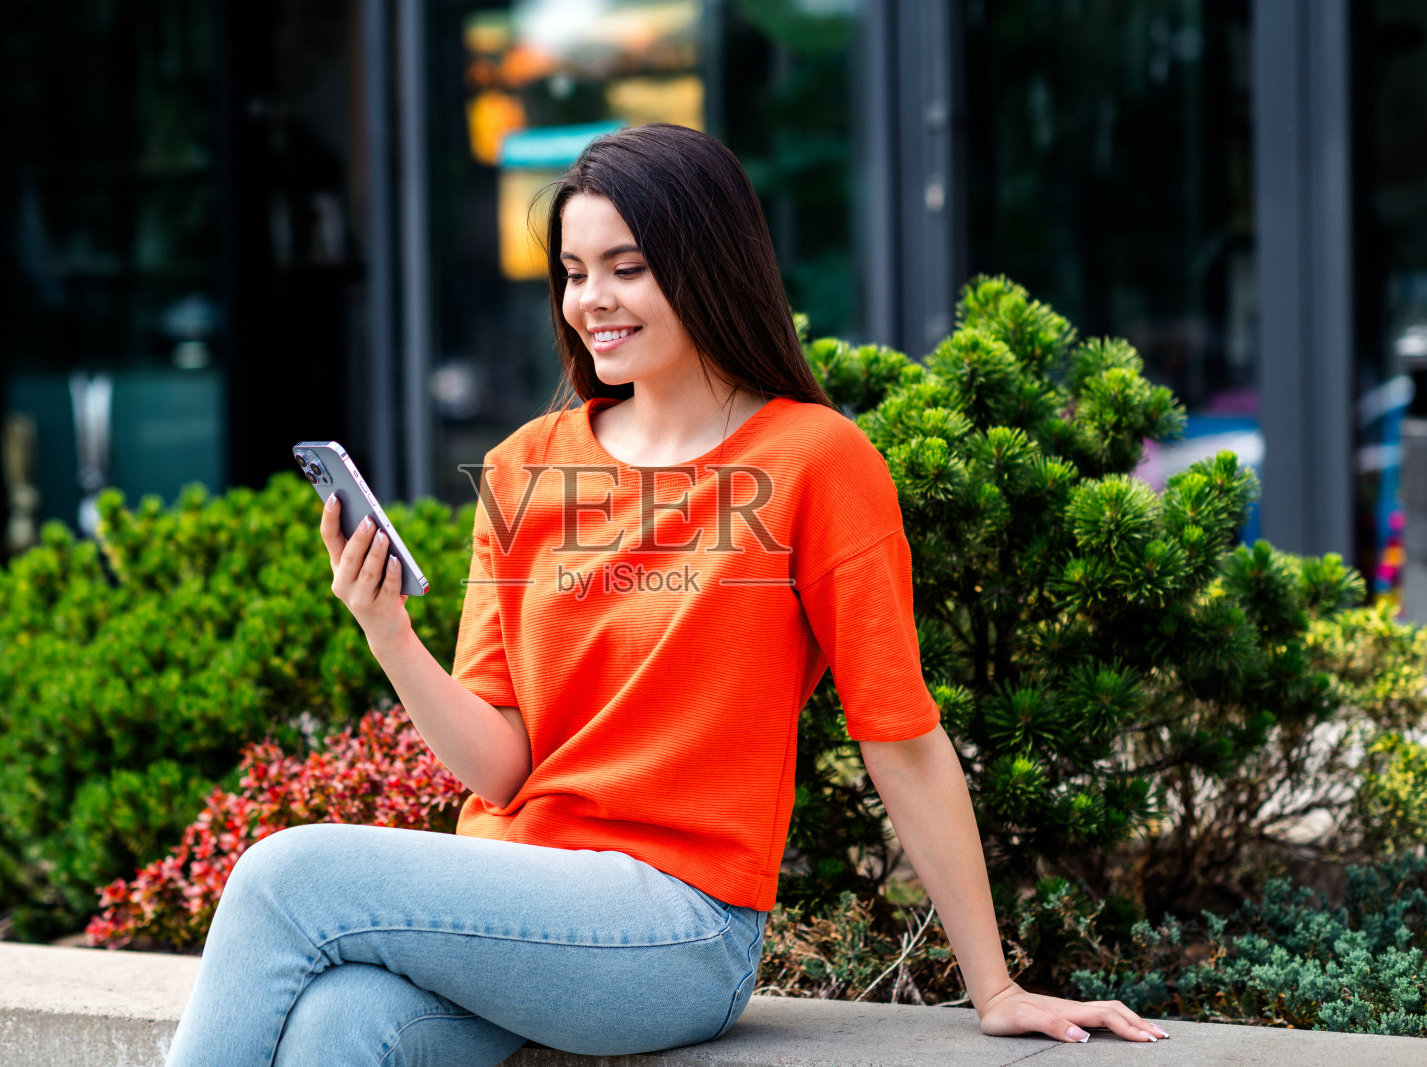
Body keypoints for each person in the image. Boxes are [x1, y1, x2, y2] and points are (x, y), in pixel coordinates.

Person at [164, 123, 1168, 1066]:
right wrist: (386, 629)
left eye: (626, 267)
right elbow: (501, 766)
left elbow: (900, 736)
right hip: (521, 897)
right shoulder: (523, 469)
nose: (591, 299)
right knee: (343, 1025)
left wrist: (991, 986)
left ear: (708, 266)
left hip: (677, 928)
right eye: (572, 273)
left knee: (283, 873)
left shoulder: (816, 460)